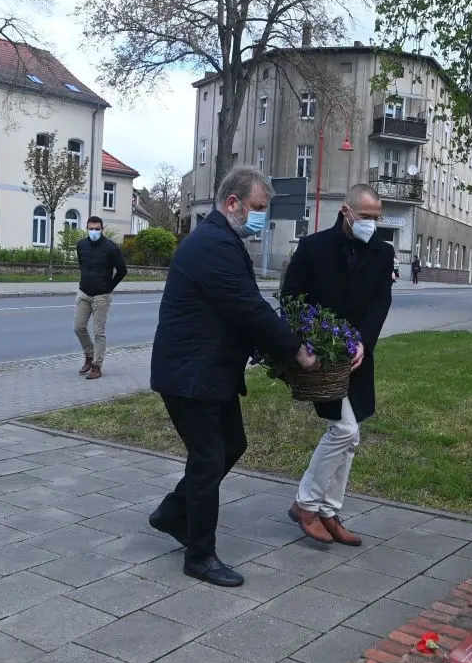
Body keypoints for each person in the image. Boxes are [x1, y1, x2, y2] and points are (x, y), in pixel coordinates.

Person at [149, 166, 318, 587]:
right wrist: (295, 350)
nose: (260, 216)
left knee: (232, 445)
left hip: (208, 372)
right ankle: (199, 555)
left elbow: (239, 311)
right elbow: (248, 307)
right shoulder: (213, 245)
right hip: (192, 375)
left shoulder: (220, 240)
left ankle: (172, 513)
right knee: (208, 459)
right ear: (232, 203)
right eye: (257, 208)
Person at [280, 184, 393, 546]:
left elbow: (380, 302)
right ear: (346, 212)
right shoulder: (313, 248)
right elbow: (291, 297)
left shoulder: (382, 252)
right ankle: (306, 504)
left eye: (377, 218)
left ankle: (329, 510)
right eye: (365, 217)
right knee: (344, 430)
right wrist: (311, 340)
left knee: (352, 434)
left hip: (358, 357)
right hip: (322, 357)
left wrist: (363, 342)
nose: (372, 224)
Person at [74, 215, 127, 380]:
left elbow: (122, 270)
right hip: (84, 293)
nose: (94, 232)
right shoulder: (81, 245)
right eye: (91, 229)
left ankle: (97, 366)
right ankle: (89, 356)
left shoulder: (110, 247)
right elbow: (82, 265)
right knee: (79, 327)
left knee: (99, 333)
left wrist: (109, 287)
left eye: (97, 229)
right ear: (87, 228)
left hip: (101, 296)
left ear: (102, 229)